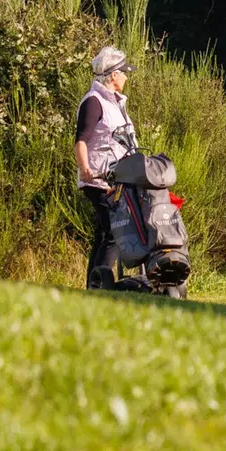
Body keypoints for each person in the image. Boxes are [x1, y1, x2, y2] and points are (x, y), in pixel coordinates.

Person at [74, 45, 136, 288]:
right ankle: (101, 286)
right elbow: (81, 140)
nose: (126, 76)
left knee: (104, 233)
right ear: (112, 75)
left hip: (117, 178)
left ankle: (93, 285)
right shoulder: (94, 101)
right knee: (114, 230)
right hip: (99, 179)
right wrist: (85, 169)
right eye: (123, 72)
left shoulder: (115, 102)